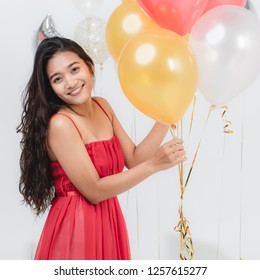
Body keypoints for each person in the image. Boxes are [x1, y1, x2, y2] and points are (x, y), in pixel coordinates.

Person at [17, 36, 186, 260]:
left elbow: (134, 159)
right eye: (58, 79)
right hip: (75, 227)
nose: (70, 82)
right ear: (51, 88)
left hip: (109, 218)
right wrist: (154, 165)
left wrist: (168, 112)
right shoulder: (61, 125)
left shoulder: (102, 106)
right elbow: (94, 191)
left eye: (74, 69)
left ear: (90, 66)